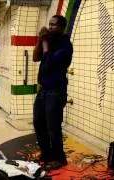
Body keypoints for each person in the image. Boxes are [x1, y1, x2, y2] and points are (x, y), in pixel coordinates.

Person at [33, 15, 73, 169]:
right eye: (49, 24)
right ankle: (46, 153)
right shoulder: (49, 41)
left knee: (53, 125)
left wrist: (44, 43)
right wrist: (39, 40)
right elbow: (36, 58)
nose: (50, 27)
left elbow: (50, 64)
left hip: (56, 91)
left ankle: (59, 158)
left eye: (54, 25)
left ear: (62, 27)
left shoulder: (65, 45)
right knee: (38, 122)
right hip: (43, 90)